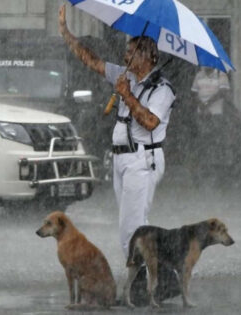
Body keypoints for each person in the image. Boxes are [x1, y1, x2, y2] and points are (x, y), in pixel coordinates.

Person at [58, 4, 179, 304]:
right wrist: (67, 34)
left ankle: (147, 284)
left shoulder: (162, 89)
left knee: (132, 229)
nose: (124, 58)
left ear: (148, 55)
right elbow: (94, 62)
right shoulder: (126, 75)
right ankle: (161, 280)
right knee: (133, 227)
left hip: (143, 160)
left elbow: (150, 122)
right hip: (123, 160)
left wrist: (125, 94)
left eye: (130, 52)